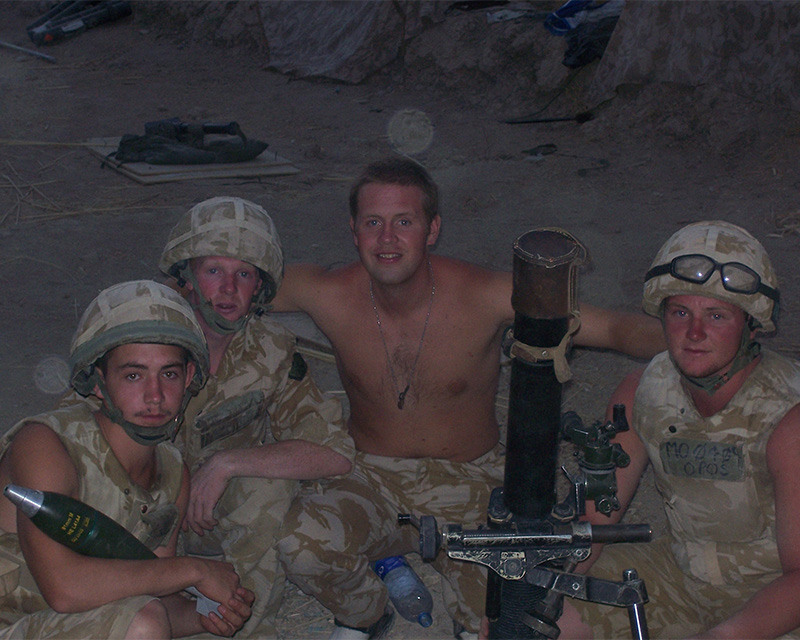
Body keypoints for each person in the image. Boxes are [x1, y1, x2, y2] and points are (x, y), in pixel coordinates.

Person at [270, 156, 667, 639]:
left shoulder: (483, 293)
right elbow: (231, 280)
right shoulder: (328, 292)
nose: (387, 239)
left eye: (404, 222)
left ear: (432, 229)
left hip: (471, 483)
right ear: (353, 230)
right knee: (301, 546)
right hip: (368, 478)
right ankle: (367, 615)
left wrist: (690, 339)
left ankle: (449, 590)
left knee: (504, 610)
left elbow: (614, 328)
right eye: (373, 222)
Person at [563, 220, 800, 638]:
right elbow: (595, 520)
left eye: (717, 315)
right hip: (681, 579)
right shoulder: (641, 392)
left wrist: (725, 636)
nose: (694, 333)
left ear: (751, 325)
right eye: (680, 312)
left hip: (774, 603)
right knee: (541, 617)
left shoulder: (788, 417)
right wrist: (540, 593)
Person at [0, 280, 254, 639]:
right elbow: (65, 588)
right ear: (100, 381)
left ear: (190, 378)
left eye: (169, 374)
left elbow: (153, 597)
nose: (155, 396)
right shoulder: (46, 445)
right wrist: (195, 571)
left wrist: (206, 617)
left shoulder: (172, 475)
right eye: (133, 375)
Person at [157, 195, 356, 638]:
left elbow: (334, 453)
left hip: (211, 523)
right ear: (186, 276)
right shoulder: (144, 333)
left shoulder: (273, 350)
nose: (228, 290)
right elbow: (77, 437)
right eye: (213, 271)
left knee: (265, 485)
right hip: (140, 516)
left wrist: (227, 464)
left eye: (243, 274)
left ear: (260, 288)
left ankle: (245, 624)